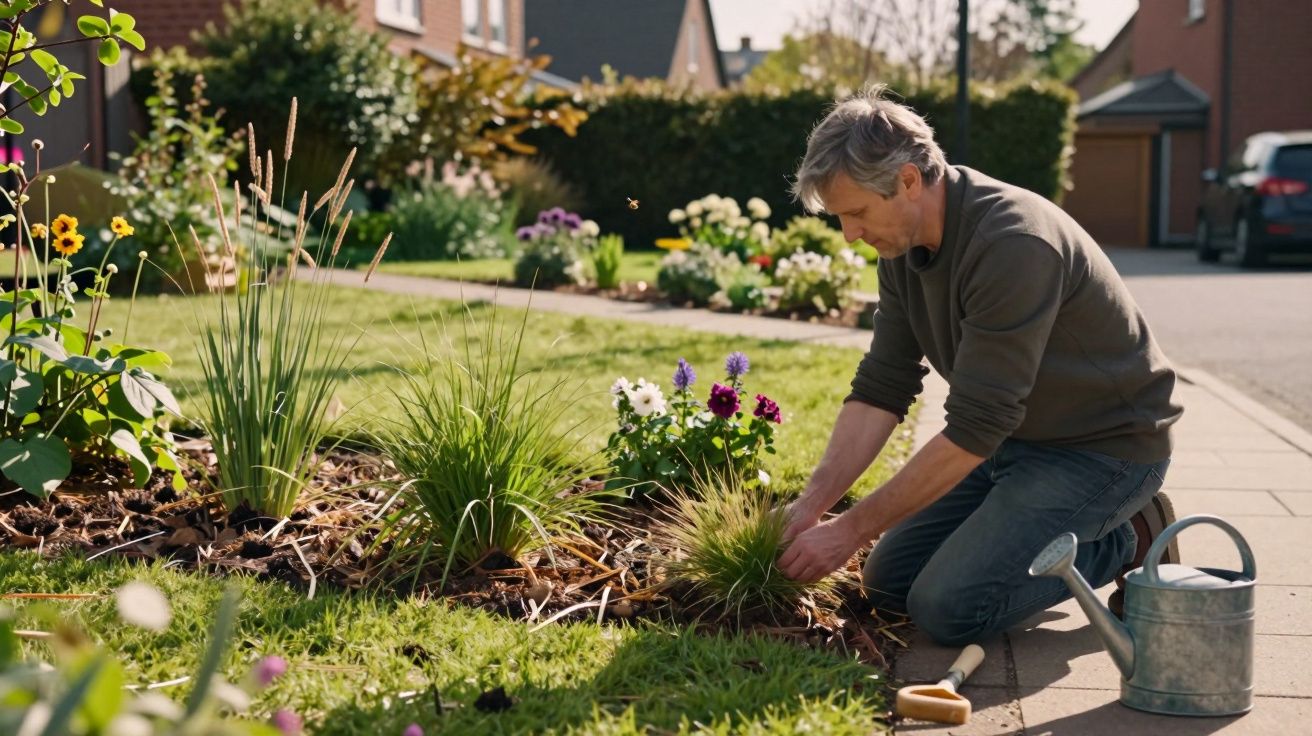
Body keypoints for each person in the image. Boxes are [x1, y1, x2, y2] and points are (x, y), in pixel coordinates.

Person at [775, 87, 1184, 645]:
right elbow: (883, 386)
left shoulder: (1013, 243)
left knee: (949, 608)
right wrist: (811, 508)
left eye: (857, 213)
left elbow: (975, 426)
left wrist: (848, 531)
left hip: (1104, 450)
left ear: (908, 181)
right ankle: (1052, 531)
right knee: (890, 583)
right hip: (1012, 443)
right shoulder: (901, 244)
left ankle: (1130, 535)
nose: (850, 234)